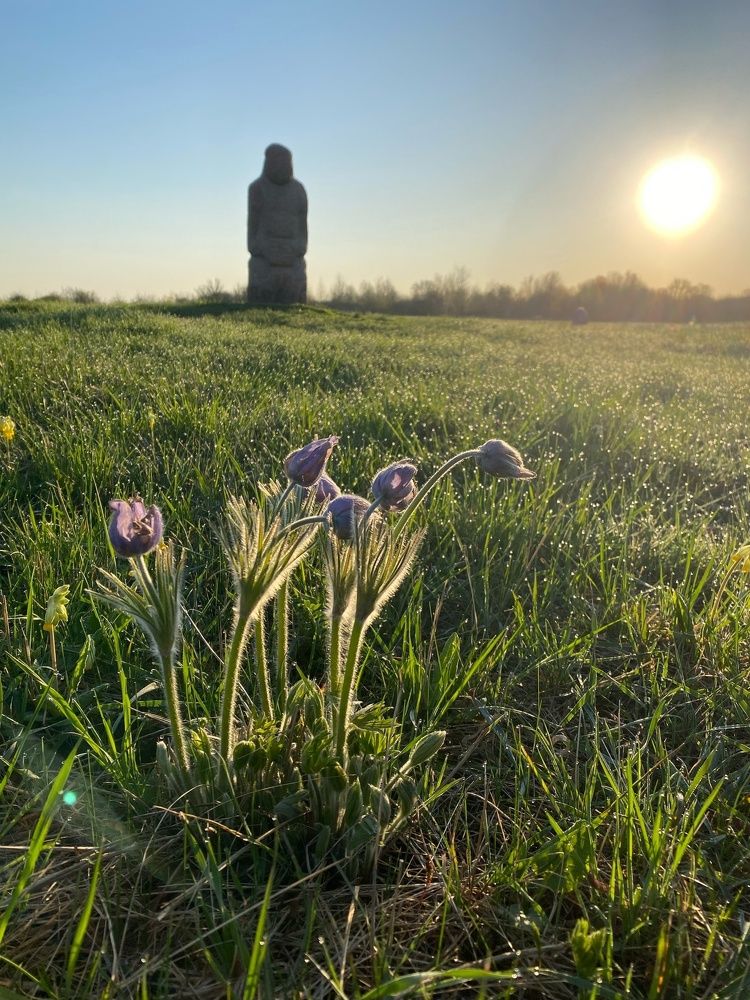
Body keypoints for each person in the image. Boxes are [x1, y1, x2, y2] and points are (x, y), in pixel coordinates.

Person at [247, 144, 308, 304]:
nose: (282, 166)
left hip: (292, 256)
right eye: (277, 161)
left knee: (295, 282)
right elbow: (252, 232)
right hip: (264, 255)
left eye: (286, 161)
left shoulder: (299, 190)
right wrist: (263, 248)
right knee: (261, 278)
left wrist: (297, 249)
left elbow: (303, 230)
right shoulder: (257, 189)